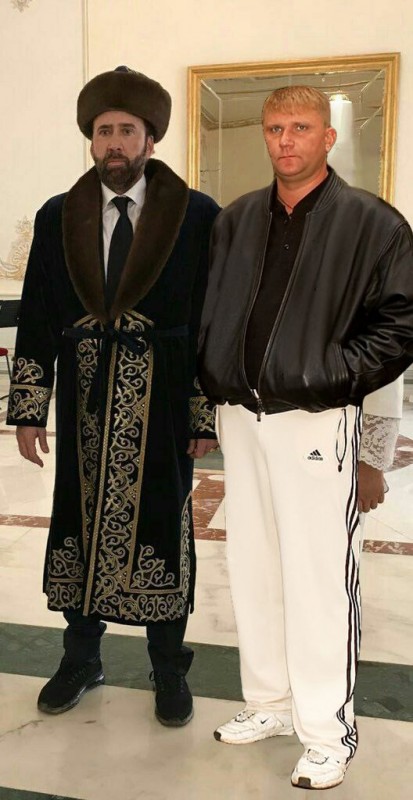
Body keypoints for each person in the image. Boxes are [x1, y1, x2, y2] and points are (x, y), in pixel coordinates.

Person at [198, 85, 413, 789]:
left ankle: (326, 732)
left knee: (319, 577)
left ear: (327, 137)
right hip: (242, 416)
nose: (285, 140)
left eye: (299, 127)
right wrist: (213, 376)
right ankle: (268, 703)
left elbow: (400, 322)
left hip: (317, 419)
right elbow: (211, 309)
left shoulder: (372, 224)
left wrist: (334, 377)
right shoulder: (235, 220)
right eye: (273, 128)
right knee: (253, 567)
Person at [7, 66, 219, 727]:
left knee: (162, 523)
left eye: (128, 130)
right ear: (91, 139)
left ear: (151, 138)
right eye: (104, 131)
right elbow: (38, 313)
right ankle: (81, 658)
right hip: (84, 398)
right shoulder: (58, 215)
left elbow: (210, 317)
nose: (115, 143)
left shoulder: (196, 215)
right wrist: (28, 408)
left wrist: (203, 412)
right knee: (78, 521)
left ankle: (168, 666)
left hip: (163, 396)